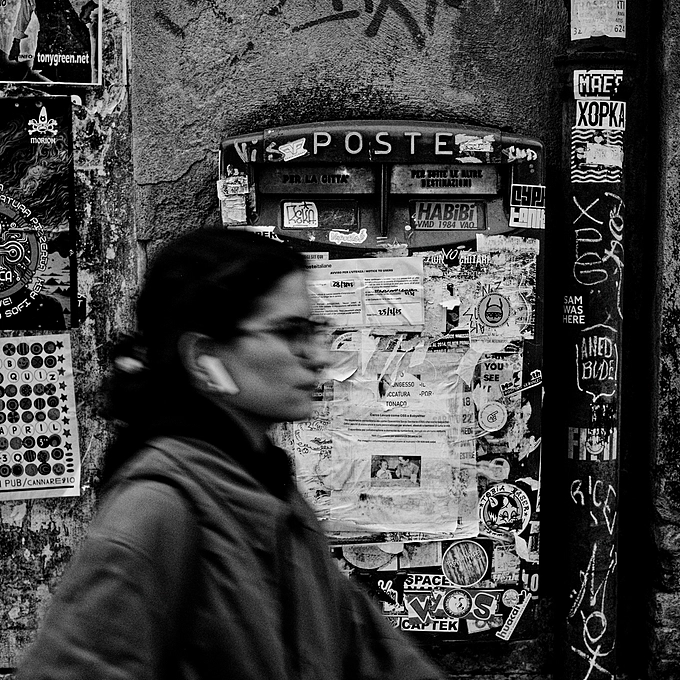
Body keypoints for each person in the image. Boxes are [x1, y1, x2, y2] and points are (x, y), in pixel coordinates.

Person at [17, 228, 444, 680]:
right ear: (204, 357)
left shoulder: (272, 491)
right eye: (290, 332)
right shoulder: (160, 506)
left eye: (314, 330)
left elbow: (374, 655)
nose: (318, 357)